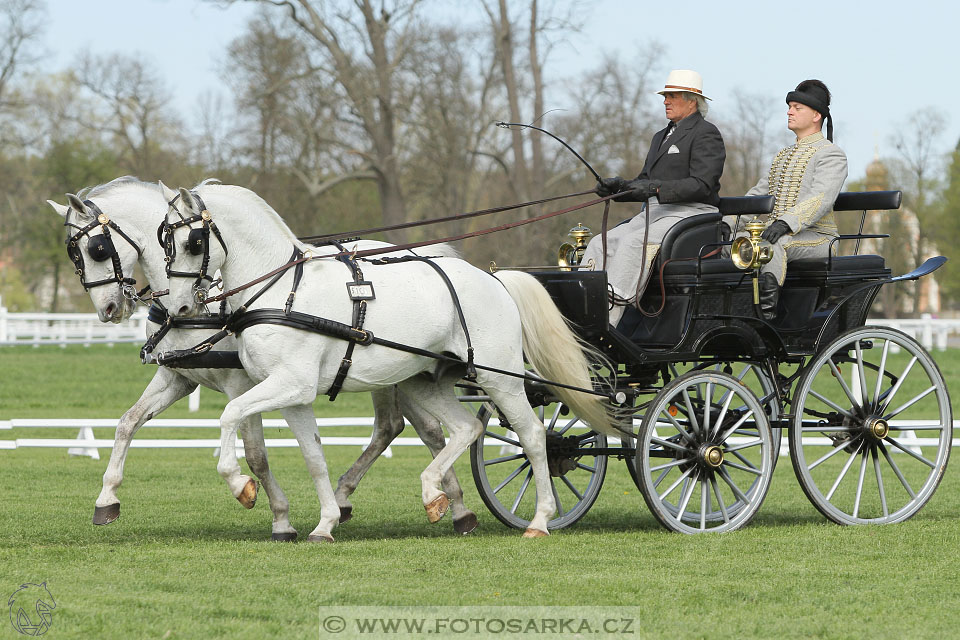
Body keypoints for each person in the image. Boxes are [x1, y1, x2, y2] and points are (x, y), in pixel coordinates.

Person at [581, 69, 725, 327]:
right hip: (656, 213)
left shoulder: (706, 133)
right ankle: (583, 311)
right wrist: (618, 188)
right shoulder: (660, 136)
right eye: (665, 96)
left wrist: (655, 189)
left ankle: (606, 321)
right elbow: (644, 181)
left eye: (671, 96)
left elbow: (702, 185)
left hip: (691, 213)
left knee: (632, 243)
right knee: (599, 243)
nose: (665, 101)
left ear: (691, 100)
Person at [730, 79, 848, 320]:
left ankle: (766, 317)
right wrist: (729, 223)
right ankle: (734, 311)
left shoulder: (831, 153)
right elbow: (758, 195)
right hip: (775, 232)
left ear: (816, 115)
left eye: (797, 107)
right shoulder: (783, 155)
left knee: (772, 245)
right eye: (790, 106)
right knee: (732, 244)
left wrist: (785, 223)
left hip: (818, 238)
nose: (789, 111)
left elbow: (821, 198)